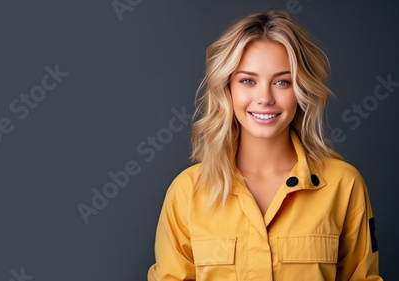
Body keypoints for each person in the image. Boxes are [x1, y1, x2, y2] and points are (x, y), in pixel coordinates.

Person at [147, 8, 383, 281]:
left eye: (282, 82)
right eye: (248, 80)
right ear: (227, 88)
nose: (265, 98)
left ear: (302, 90)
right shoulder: (186, 193)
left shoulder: (344, 185)